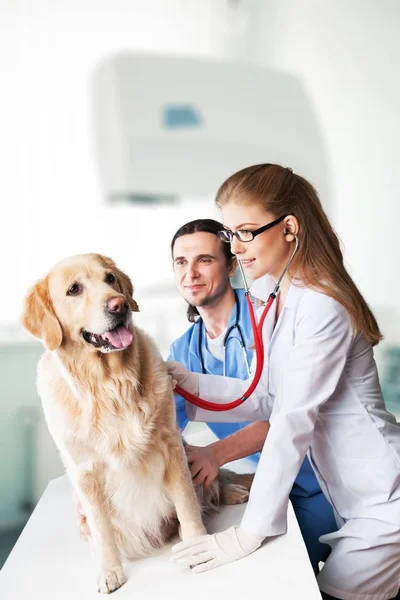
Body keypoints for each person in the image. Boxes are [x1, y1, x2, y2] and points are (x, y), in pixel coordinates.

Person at [167, 165, 400, 600]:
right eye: (231, 234)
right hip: (351, 498)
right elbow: (265, 396)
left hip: (384, 502)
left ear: (289, 227)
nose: (235, 248)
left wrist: (248, 534)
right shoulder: (284, 299)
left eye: (246, 232)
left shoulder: (322, 304)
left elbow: (290, 420)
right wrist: (183, 382)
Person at [168, 218, 338, 573]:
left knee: (281, 574)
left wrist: (214, 454)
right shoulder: (182, 353)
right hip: (267, 484)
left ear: (231, 263)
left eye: (205, 260)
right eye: (181, 262)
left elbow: (286, 410)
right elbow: (157, 431)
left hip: (322, 482)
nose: (191, 273)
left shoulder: (271, 315)